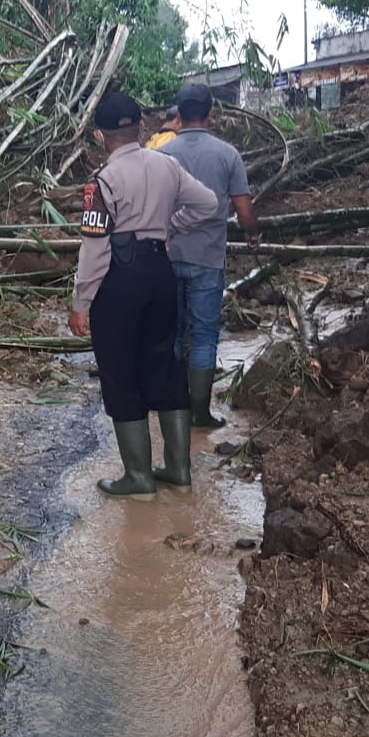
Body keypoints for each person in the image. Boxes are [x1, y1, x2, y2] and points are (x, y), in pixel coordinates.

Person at [68, 92, 218, 496]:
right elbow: (208, 203)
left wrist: (81, 303)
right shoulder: (166, 165)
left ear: (100, 136)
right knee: (165, 366)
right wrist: (171, 228)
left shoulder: (101, 183)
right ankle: (179, 470)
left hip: (120, 280)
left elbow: (95, 248)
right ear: (141, 128)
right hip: (160, 274)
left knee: (119, 372)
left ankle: (137, 477)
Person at [156, 83, 261, 428]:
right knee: (202, 334)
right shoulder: (228, 155)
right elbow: (244, 209)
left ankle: (173, 408)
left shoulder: (163, 156)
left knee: (172, 332)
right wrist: (253, 235)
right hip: (208, 258)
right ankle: (199, 413)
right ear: (212, 115)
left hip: (167, 256)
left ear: (179, 116)